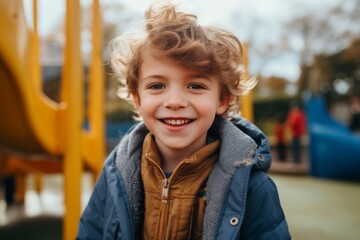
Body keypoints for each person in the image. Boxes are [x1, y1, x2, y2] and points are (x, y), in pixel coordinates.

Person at [77, 2, 291, 239]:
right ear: (137, 98)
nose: (175, 101)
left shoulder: (250, 186)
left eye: (195, 86)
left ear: (222, 99)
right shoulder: (116, 173)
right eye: (157, 86)